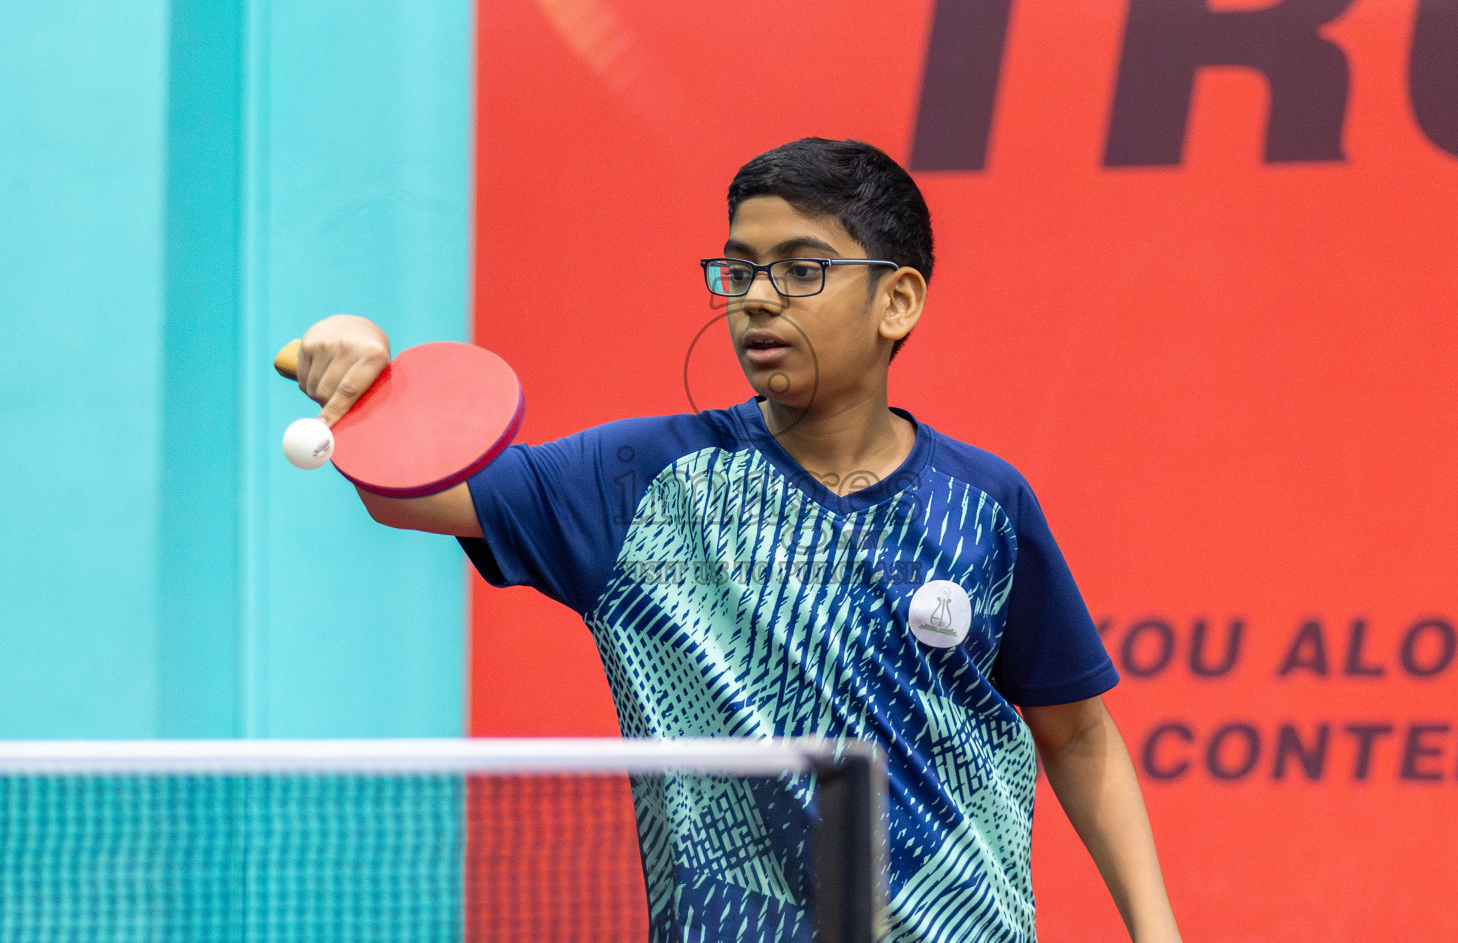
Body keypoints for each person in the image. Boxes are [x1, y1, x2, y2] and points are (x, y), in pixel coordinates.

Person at [291, 138, 1182, 943]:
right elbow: (414, 494)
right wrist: (357, 365)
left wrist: (1156, 932)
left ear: (896, 301)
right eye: (739, 269)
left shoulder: (984, 503)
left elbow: (1076, 735)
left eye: (801, 270)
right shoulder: (639, 481)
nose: (757, 297)